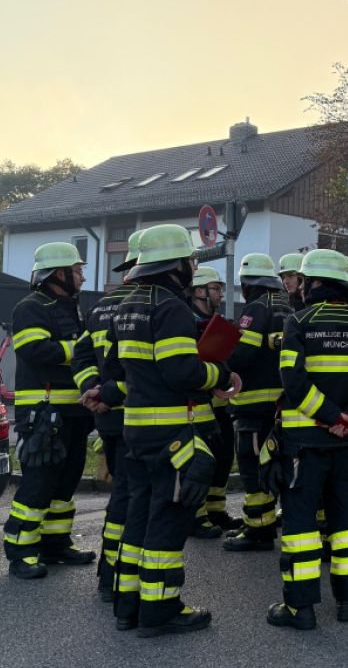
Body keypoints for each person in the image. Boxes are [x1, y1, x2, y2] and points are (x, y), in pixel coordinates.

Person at [103, 223, 238, 637]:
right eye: (190, 260)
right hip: (172, 433)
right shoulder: (171, 307)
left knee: (139, 518)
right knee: (168, 519)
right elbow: (180, 371)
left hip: (137, 431)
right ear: (176, 264)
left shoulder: (128, 304)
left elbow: (126, 369)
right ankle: (160, 610)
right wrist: (220, 373)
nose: (193, 266)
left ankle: (128, 606)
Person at [266, 249, 348, 629]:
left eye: (303, 281)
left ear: (314, 283)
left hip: (304, 445)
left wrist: (327, 416)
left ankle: (300, 609)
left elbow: (292, 380)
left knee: (301, 526)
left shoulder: (299, 322)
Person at [3, 242, 96, 579]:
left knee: (65, 483)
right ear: (59, 273)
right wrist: (82, 348)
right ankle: (21, 551)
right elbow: (35, 349)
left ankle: (55, 544)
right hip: (43, 413)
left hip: (73, 411)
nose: (83, 277)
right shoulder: (31, 307)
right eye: (77, 270)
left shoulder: (71, 307)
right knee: (39, 483)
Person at [72, 229, 142, 599]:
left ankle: (109, 573)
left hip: (110, 418)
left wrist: (92, 391)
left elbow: (82, 357)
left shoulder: (100, 307)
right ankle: (124, 578)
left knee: (122, 496)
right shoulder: (152, 305)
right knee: (136, 498)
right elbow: (152, 373)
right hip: (142, 418)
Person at [223, 254, 293, 553]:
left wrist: (221, 361)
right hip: (281, 404)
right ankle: (272, 521)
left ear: (247, 283)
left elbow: (243, 355)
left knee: (253, 469)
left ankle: (258, 530)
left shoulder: (256, 308)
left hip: (254, 406)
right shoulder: (286, 306)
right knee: (276, 465)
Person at [184, 266, 238, 538]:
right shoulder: (187, 322)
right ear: (199, 291)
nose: (219, 294)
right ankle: (196, 516)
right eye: (215, 288)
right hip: (194, 407)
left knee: (223, 457)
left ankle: (216, 510)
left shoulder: (215, 322)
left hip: (217, 407)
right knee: (200, 462)